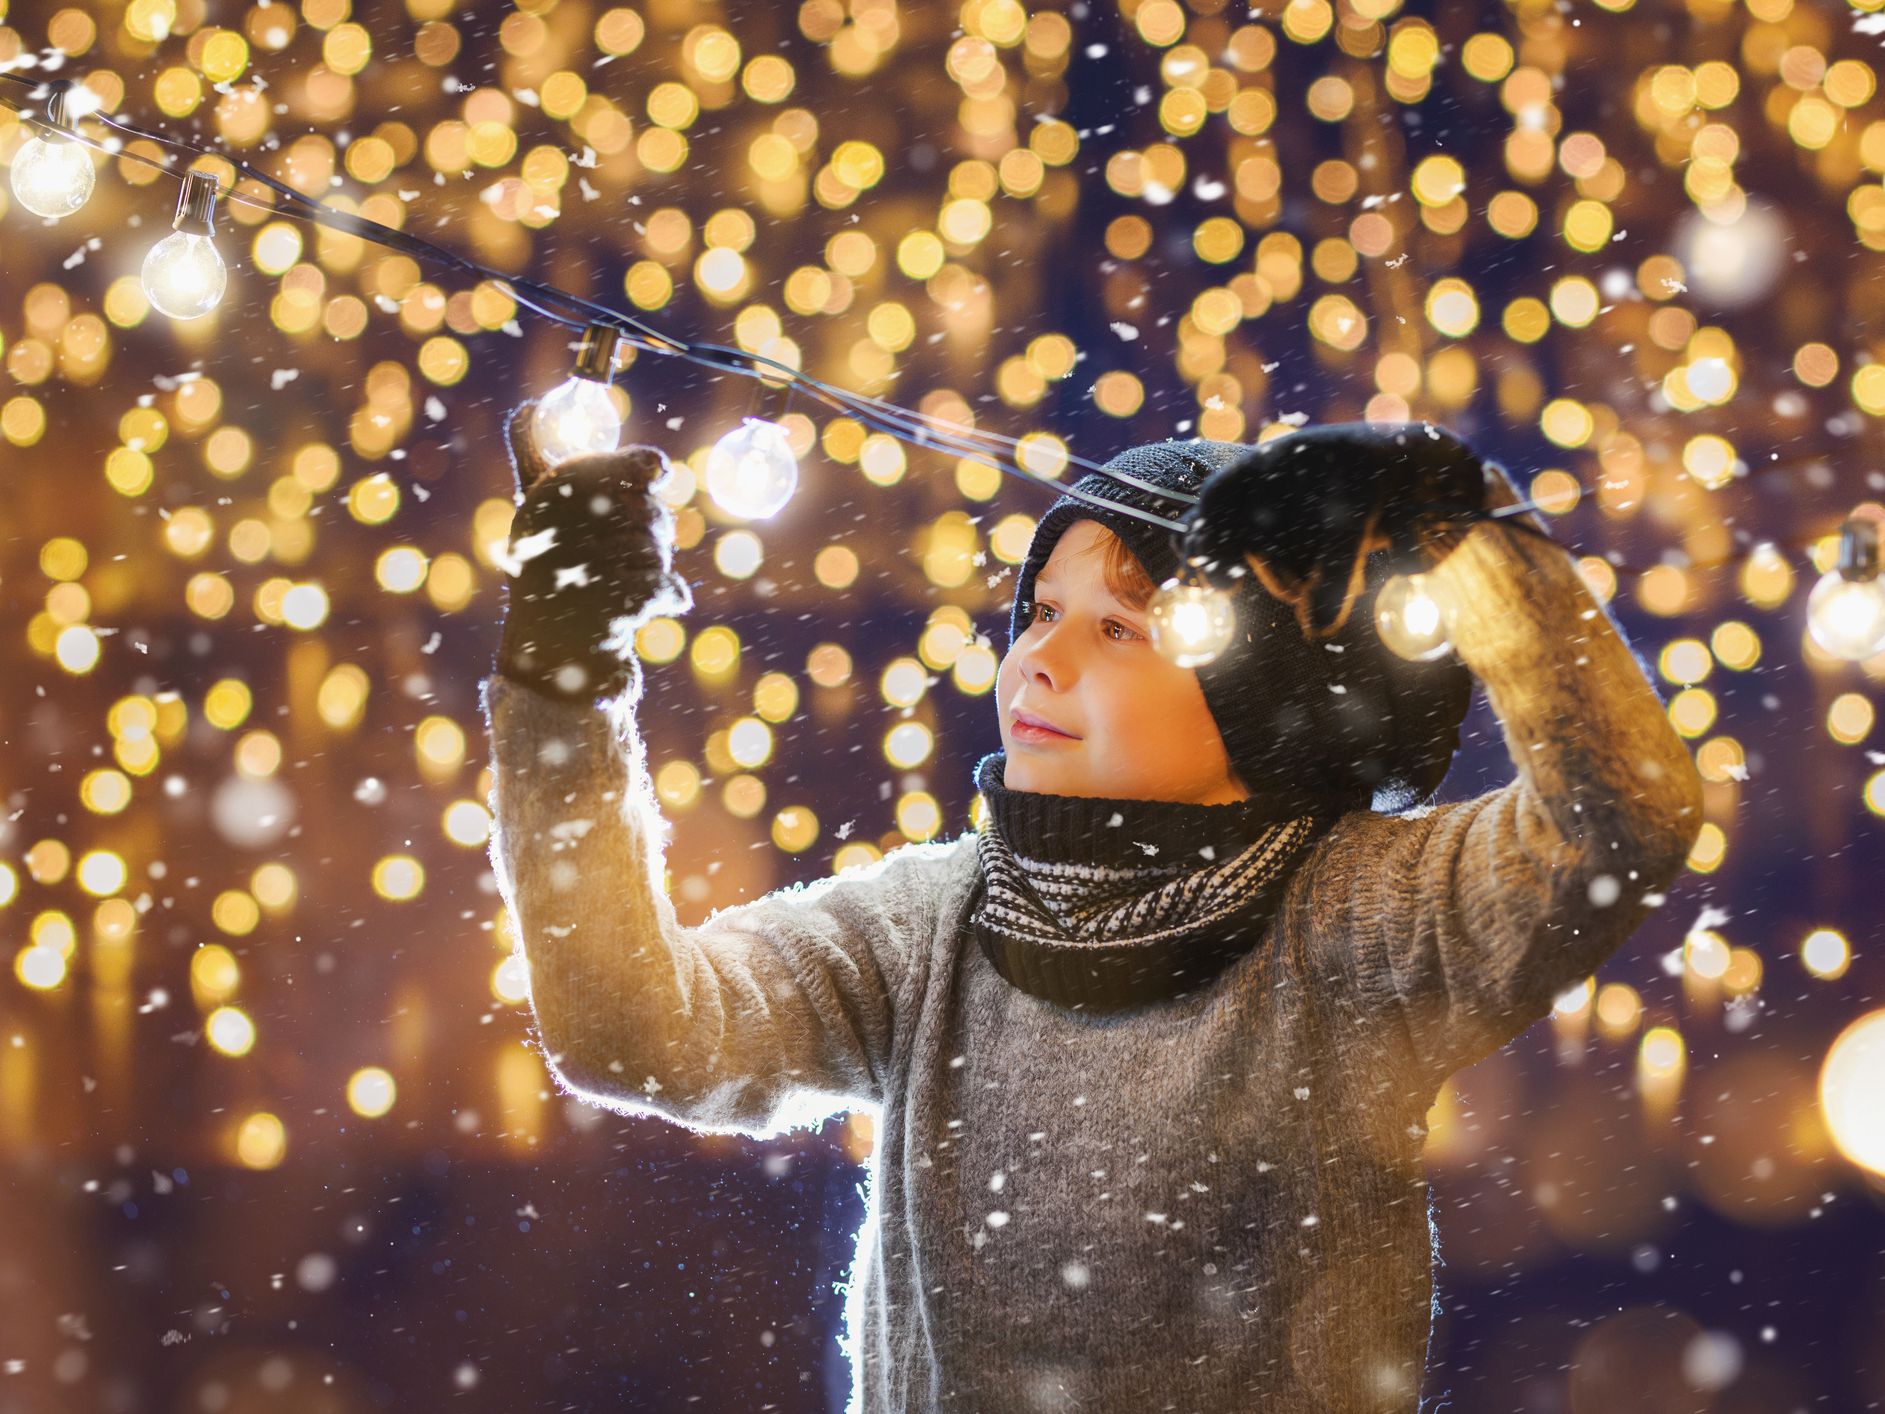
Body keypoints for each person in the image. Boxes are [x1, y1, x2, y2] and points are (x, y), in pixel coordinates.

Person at [481, 402, 1703, 1413]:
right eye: (1043, 614)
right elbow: (632, 1025)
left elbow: (1621, 817)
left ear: (1262, 696)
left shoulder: (1356, 920)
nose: (1041, 661)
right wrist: (562, 674)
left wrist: (1467, 545)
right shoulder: (927, 928)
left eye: (1122, 625)